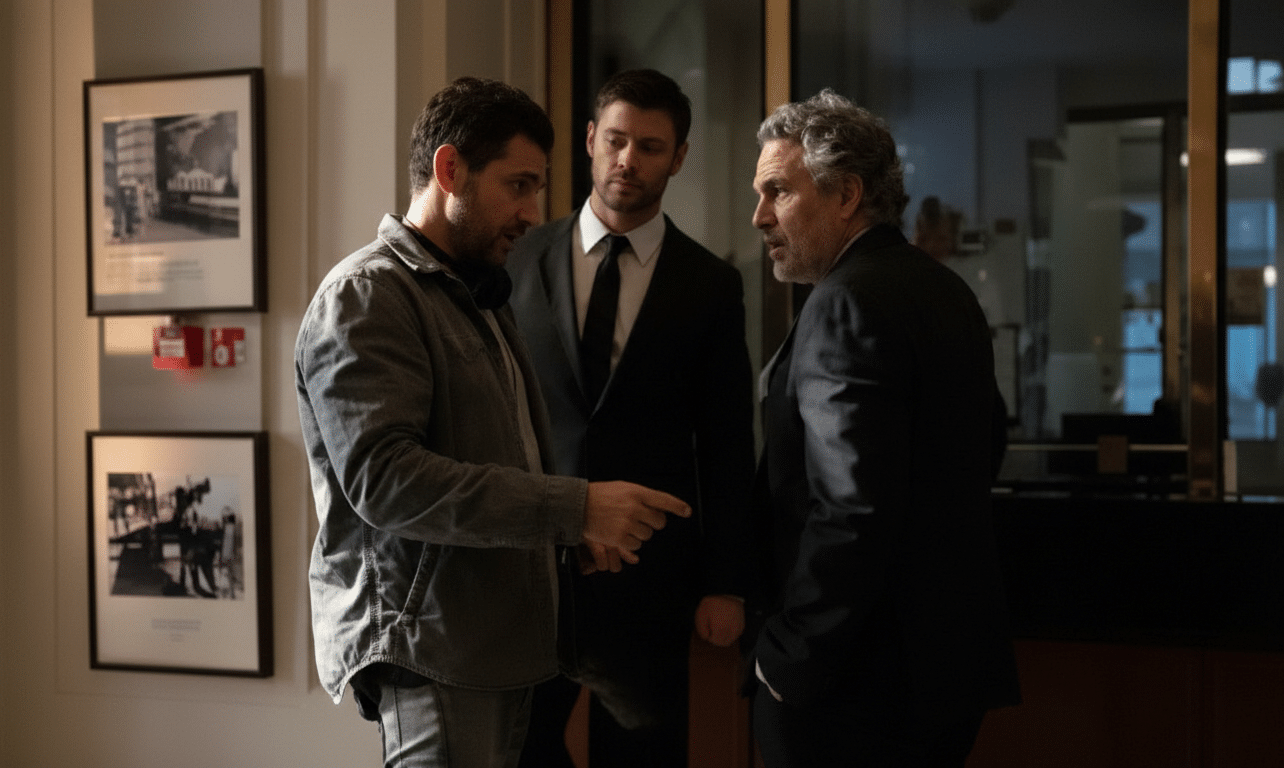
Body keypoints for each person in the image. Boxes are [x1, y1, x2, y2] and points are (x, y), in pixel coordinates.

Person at [295, 76, 692, 768]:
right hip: (434, 650)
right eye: (518, 185)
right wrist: (575, 509)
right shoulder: (367, 295)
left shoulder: (475, 295)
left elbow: (495, 461)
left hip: (498, 646)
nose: (533, 211)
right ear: (451, 170)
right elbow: (388, 481)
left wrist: (567, 538)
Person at [746, 89, 1020, 767]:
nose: (759, 217)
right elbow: (989, 443)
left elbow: (852, 507)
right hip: (940, 671)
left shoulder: (845, 303)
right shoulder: (944, 288)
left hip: (853, 683)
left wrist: (788, 656)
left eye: (777, 192)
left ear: (846, 196)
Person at [506, 69, 755, 768]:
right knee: (517, 750)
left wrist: (725, 581)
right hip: (529, 571)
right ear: (589, 140)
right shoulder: (515, 257)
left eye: (650, 147)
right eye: (615, 140)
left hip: (650, 579)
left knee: (644, 758)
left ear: (677, 158)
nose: (628, 160)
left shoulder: (710, 284)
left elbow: (728, 441)